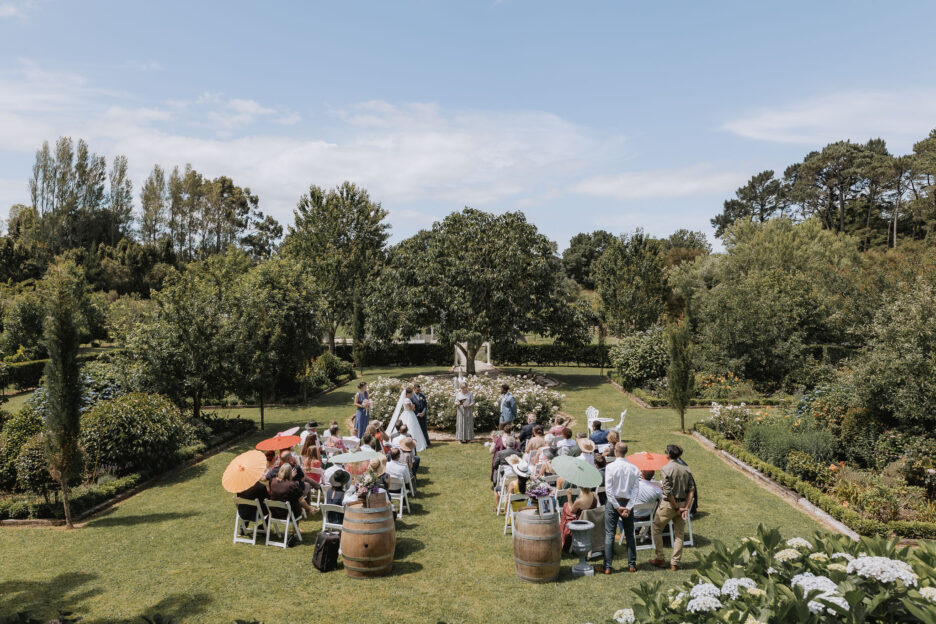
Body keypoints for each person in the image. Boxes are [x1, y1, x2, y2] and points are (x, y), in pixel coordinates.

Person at [650, 445, 696, 571]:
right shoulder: (686, 468)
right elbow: (692, 490)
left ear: (668, 455)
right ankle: (674, 563)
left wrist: (676, 507)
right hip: (682, 505)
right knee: (679, 534)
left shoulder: (666, 469)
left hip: (669, 505)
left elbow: (668, 491)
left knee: (656, 527)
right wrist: (685, 507)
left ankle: (660, 558)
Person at [602, 442, 641, 574]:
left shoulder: (610, 467)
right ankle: (632, 564)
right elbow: (636, 490)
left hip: (615, 503)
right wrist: (628, 507)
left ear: (616, 451)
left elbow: (609, 490)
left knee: (610, 534)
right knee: (630, 534)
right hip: (626, 502)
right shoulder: (634, 468)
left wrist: (618, 507)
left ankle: (607, 566)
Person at [560, 485, 597, 551]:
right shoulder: (594, 495)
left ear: (580, 486)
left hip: (580, 523)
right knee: (566, 506)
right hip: (591, 521)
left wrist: (569, 497)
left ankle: (563, 538)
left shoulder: (579, 501)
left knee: (566, 505)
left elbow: (572, 511)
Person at [413, 383, 430, 447]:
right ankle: (418, 443)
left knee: (424, 429)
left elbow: (425, 405)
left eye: (419, 390)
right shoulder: (411, 397)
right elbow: (411, 407)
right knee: (417, 429)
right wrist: (417, 413)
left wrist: (423, 412)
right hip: (416, 415)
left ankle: (427, 441)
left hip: (423, 415)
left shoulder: (422, 395)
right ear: (414, 389)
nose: (418, 391)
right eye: (417, 390)